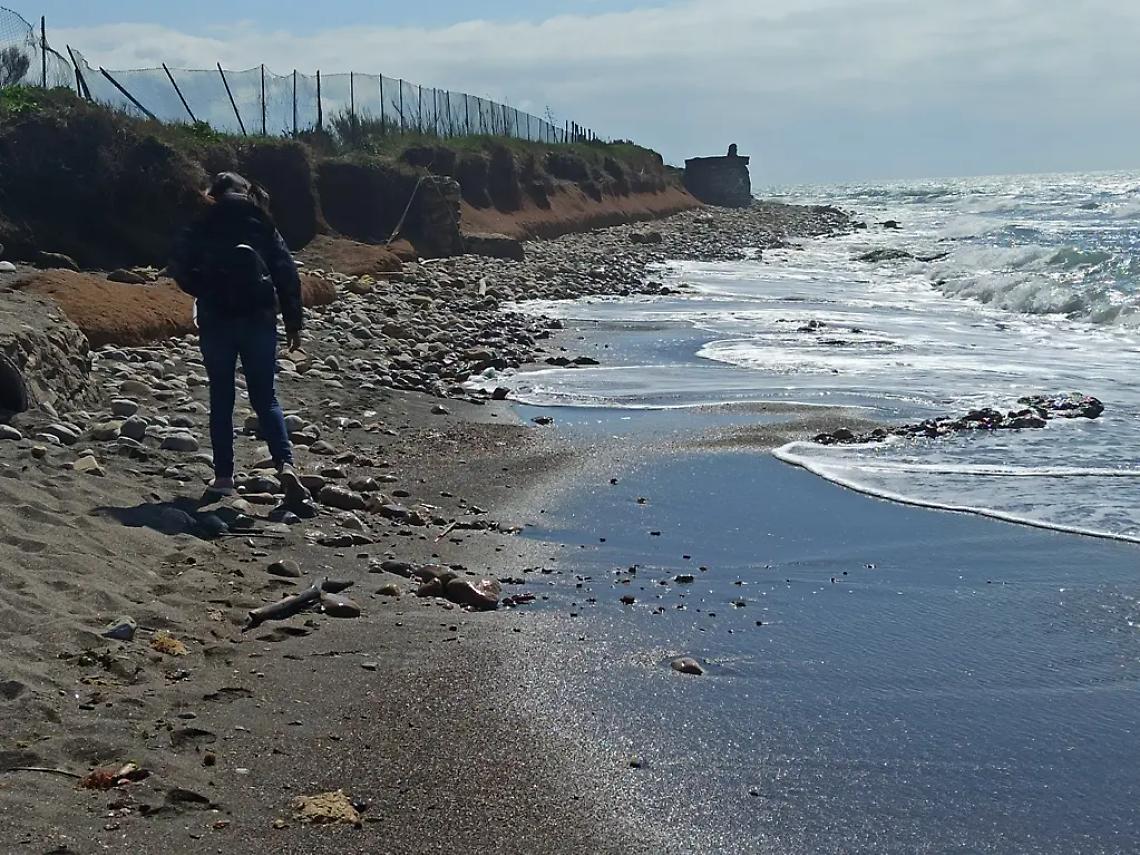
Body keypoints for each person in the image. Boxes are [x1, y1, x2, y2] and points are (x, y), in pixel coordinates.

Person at [169, 172, 304, 497]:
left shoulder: (204, 220)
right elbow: (286, 270)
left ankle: (225, 478)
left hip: (217, 320)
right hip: (259, 318)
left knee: (221, 397)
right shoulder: (262, 221)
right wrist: (294, 322)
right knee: (265, 396)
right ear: (246, 191)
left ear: (214, 192)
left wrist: (205, 289)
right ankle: (285, 463)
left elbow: (179, 265)